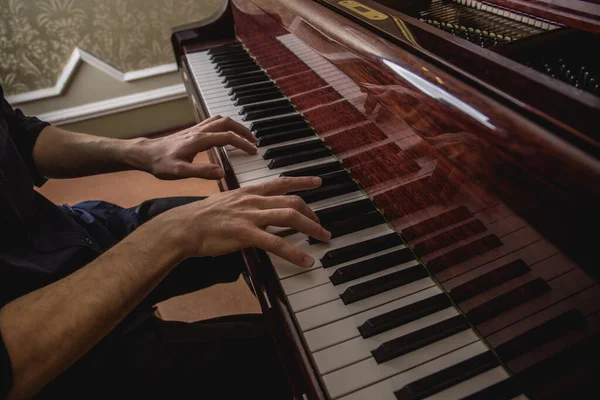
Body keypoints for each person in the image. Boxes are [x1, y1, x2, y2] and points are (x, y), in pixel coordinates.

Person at [0, 85, 331, 399]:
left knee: (279, 219)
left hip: (68, 231)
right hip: (47, 358)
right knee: (307, 351)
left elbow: (16, 135)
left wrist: (142, 151)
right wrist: (168, 235)